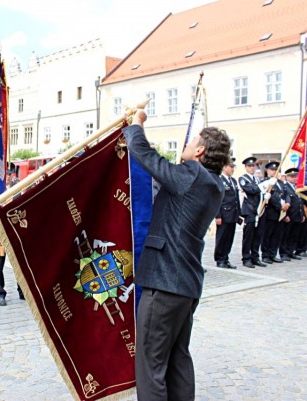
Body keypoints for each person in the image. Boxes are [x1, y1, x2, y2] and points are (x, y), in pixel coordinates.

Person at [124, 109, 230, 401]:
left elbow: (146, 156)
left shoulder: (193, 175)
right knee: (178, 360)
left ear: (200, 150)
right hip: (185, 285)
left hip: (165, 282)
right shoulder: (214, 183)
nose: (186, 143)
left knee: (151, 363)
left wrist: (137, 124)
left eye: (193, 139)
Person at [238, 157, 267, 268]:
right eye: (249, 166)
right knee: (248, 236)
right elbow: (252, 190)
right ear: (245, 167)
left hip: (259, 211)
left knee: (258, 236)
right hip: (249, 211)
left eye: (253, 166)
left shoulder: (257, 180)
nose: (251, 168)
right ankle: (246, 258)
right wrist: (265, 184)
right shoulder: (243, 179)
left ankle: (255, 257)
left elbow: (260, 193)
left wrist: (266, 196)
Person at [259, 161, 288, 264]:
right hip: (270, 212)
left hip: (280, 213)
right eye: (272, 170)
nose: (274, 172)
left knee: (277, 234)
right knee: (268, 234)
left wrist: (287, 204)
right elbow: (270, 197)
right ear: (267, 171)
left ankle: (273, 253)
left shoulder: (280, 183)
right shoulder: (266, 182)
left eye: (276, 170)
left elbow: (286, 193)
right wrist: (280, 206)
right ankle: (265, 255)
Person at [214, 159, 241, 268]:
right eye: (230, 166)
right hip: (224, 214)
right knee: (222, 238)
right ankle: (220, 259)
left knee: (229, 238)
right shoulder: (219, 180)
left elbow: (236, 199)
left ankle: (226, 258)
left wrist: (238, 213)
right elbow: (216, 199)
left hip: (232, 214)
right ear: (224, 167)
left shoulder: (233, 181)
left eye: (233, 167)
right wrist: (218, 215)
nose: (232, 169)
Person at [280, 168, 305, 260]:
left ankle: (291, 251)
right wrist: (285, 215)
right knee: (286, 235)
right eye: (292, 176)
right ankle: (284, 253)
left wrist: (302, 214)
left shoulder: (297, 187)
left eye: (296, 176)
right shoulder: (285, 187)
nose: (295, 178)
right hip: (289, 215)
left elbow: (300, 202)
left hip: (297, 215)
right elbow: (283, 201)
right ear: (287, 177)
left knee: (294, 235)